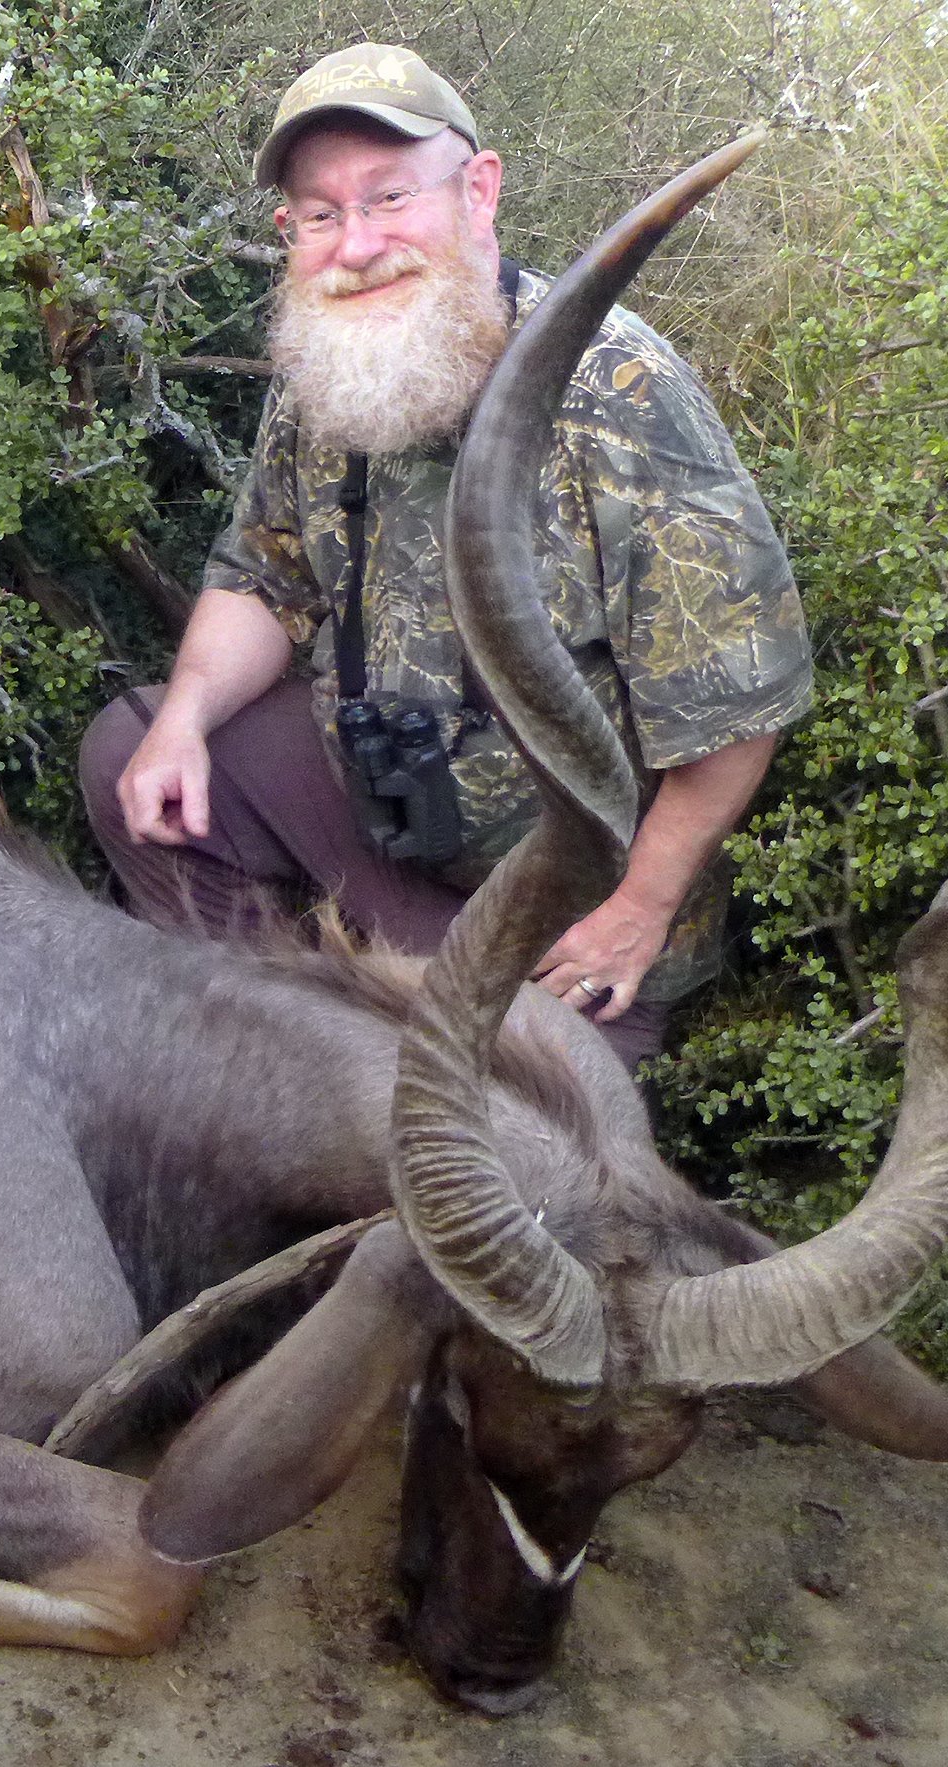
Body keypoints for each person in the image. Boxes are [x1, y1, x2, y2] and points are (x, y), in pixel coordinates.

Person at [79, 44, 811, 1068]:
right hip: (384, 831)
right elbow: (260, 578)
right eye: (323, 214)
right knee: (133, 750)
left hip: (555, 927)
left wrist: (638, 909)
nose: (357, 244)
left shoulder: (616, 389)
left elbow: (736, 710)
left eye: (388, 198)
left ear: (478, 191)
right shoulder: (326, 369)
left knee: (490, 1148)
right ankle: (263, 1054)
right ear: (289, 233)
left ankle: (398, 1057)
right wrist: (187, 724)